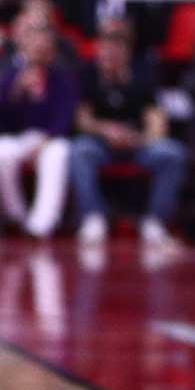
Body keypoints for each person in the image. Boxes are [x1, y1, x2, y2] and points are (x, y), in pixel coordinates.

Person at [69, 31, 186, 248]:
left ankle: (155, 221)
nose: (110, 58)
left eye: (115, 53)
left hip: (137, 146)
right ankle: (93, 217)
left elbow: (158, 123)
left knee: (172, 153)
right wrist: (106, 131)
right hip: (101, 145)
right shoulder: (87, 77)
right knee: (79, 150)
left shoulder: (143, 79)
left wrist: (136, 138)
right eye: (105, 53)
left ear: (126, 55)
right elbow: (82, 121)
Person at [0, 23, 80, 238]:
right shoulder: (9, 77)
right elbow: (0, 121)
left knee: (59, 153)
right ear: (24, 48)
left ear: (52, 50)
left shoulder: (64, 79)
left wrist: (48, 139)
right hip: (18, 139)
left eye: (44, 46)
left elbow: (66, 118)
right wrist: (16, 93)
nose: (39, 51)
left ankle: (43, 221)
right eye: (34, 46)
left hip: (50, 139)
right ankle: (16, 216)